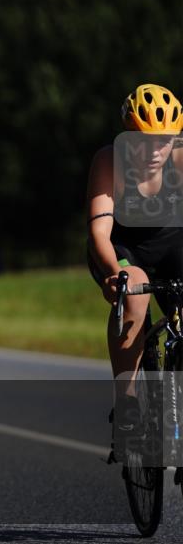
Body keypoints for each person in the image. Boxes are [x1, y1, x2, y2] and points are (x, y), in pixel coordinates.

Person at [86, 83, 183, 430]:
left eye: (165, 140)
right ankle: (126, 399)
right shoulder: (109, 161)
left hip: (173, 244)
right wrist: (116, 274)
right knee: (136, 294)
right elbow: (99, 233)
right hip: (122, 249)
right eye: (144, 141)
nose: (156, 149)